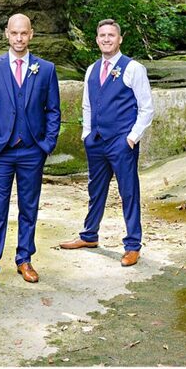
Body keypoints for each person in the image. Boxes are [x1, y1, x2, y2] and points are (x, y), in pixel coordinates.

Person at [0, 14, 61, 294]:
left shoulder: (45, 69)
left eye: (24, 33)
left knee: (29, 208)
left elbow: (53, 110)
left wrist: (46, 144)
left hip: (31, 151)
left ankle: (24, 259)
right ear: (6, 34)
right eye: (14, 33)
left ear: (31, 35)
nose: (19, 38)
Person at [59, 19, 154, 266]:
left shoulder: (133, 68)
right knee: (95, 190)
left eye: (111, 35)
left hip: (122, 143)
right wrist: (87, 135)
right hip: (97, 142)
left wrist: (131, 139)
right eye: (102, 35)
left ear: (119, 39)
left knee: (128, 192)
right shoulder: (92, 69)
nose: (107, 39)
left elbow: (146, 109)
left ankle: (132, 245)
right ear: (97, 39)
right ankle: (89, 235)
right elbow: (88, 105)